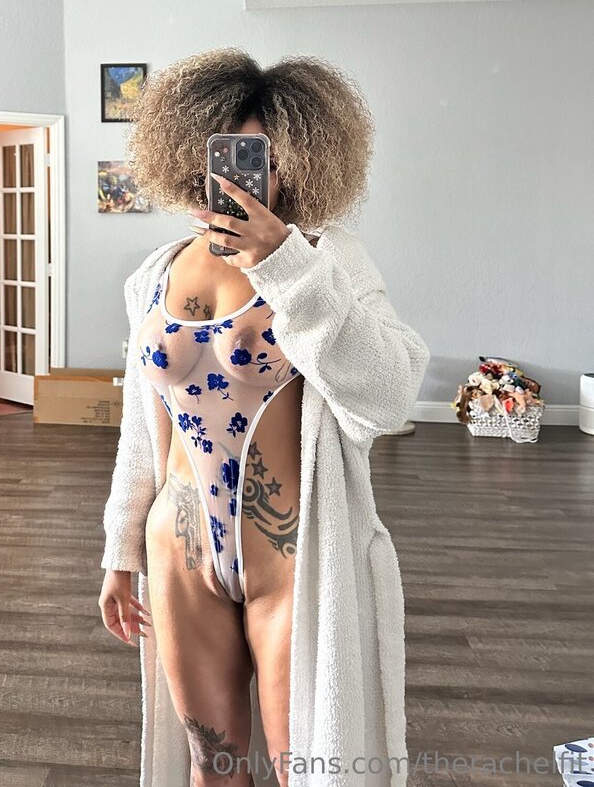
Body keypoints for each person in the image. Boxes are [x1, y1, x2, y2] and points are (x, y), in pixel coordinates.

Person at [98, 48, 430, 787]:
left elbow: (389, 395)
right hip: (179, 556)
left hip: (295, 560)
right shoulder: (154, 273)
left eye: (265, 159)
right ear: (191, 156)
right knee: (211, 765)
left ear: (301, 163)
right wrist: (120, 551)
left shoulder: (326, 260)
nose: (244, 177)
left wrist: (285, 266)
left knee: (303, 767)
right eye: (228, 156)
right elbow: (139, 430)